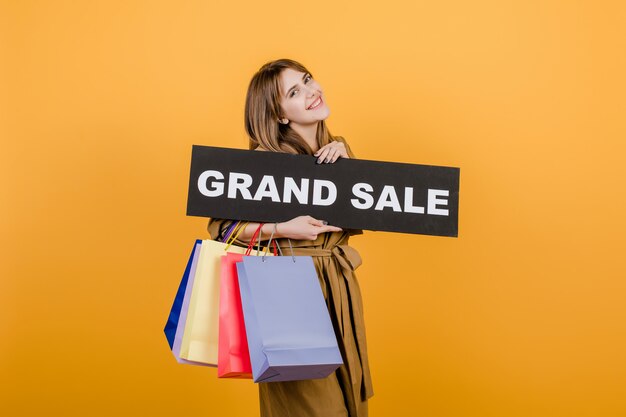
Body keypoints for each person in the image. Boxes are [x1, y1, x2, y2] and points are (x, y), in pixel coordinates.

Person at [207, 59, 373, 417]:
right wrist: (283, 229)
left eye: (308, 80)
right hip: (289, 291)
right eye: (294, 92)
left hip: (338, 287)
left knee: (349, 402)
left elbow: (362, 213)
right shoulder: (265, 161)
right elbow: (223, 228)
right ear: (279, 115)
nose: (312, 91)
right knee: (311, 406)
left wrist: (350, 167)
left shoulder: (338, 147)